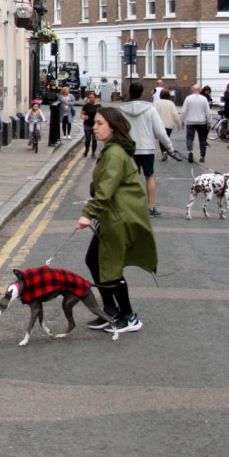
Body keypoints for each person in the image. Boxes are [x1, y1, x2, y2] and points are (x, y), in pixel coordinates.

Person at [76, 107, 158, 334]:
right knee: (94, 260)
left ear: (113, 126)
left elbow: (105, 191)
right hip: (113, 215)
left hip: (119, 217)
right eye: (95, 123)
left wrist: (88, 214)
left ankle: (129, 316)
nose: (95, 127)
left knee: (109, 266)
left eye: (100, 123)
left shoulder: (114, 153)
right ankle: (111, 310)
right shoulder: (112, 149)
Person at [118, 81, 175, 217]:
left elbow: (117, 131)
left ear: (130, 92)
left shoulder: (121, 110)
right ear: (142, 93)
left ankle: (131, 207)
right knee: (149, 176)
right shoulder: (150, 109)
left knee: (131, 178)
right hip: (147, 149)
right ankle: (150, 207)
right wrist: (170, 148)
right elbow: (160, 132)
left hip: (129, 149)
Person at [181, 84, 212, 164]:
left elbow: (184, 111)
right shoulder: (204, 99)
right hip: (202, 122)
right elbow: (208, 112)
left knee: (189, 138)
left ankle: (190, 151)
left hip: (190, 121)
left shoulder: (188, 98)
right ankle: (202, 156)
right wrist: (209, 122)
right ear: (200, 90)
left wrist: (182, 121)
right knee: (202, 139)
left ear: (192, 90)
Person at [155, 89, 181, 161]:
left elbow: (154, 113)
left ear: (160, 95)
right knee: (167, 137)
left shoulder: (158, 103)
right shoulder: (171, 103)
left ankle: (164, 152)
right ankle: (165, 151)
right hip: (169, 125)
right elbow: (175, 114)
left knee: (161, 139)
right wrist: (179, 125)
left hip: (160, 124)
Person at [80, 92, 101, 158]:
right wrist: (84, 117)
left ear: (95, 98)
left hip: (95, 125)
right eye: (90, 98)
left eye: (92, 97)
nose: (91, 99)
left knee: (94, 140)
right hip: (87, 125)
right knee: (88, 139)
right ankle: (86, 149)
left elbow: (101, 115)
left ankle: (93, 153)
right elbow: (82, 114)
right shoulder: (86, 106)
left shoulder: (98, 106)